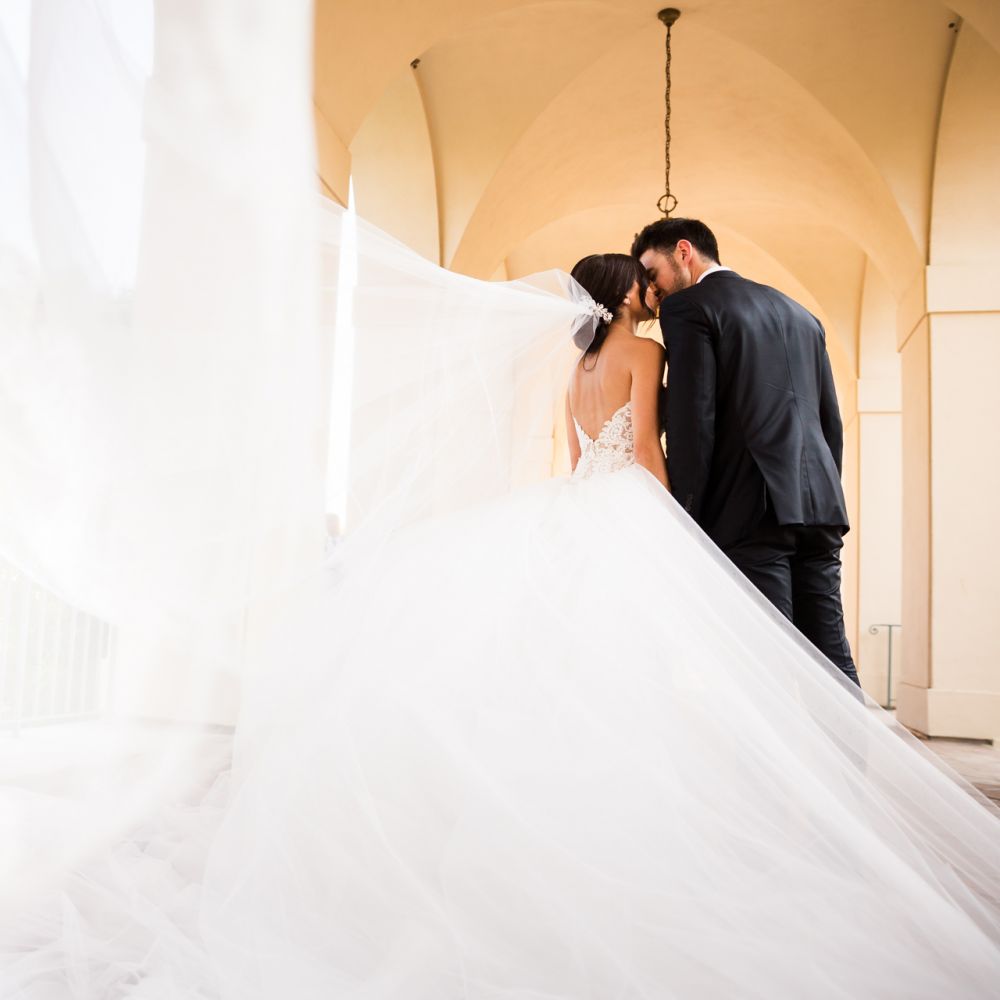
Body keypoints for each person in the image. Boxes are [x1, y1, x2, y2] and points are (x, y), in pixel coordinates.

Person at [633, 218, 859, 686]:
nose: (653, 294)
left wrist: (686, 516)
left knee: (763, 669)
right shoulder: (801, 314)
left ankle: (774, 764)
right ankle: (847, 763)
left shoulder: (689, 308)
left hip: (748, 510)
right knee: (830, 659)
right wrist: (819, 492)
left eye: (652, 274)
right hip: (817, 506)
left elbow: (694, 420)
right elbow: (829, 422)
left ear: (683, 251)